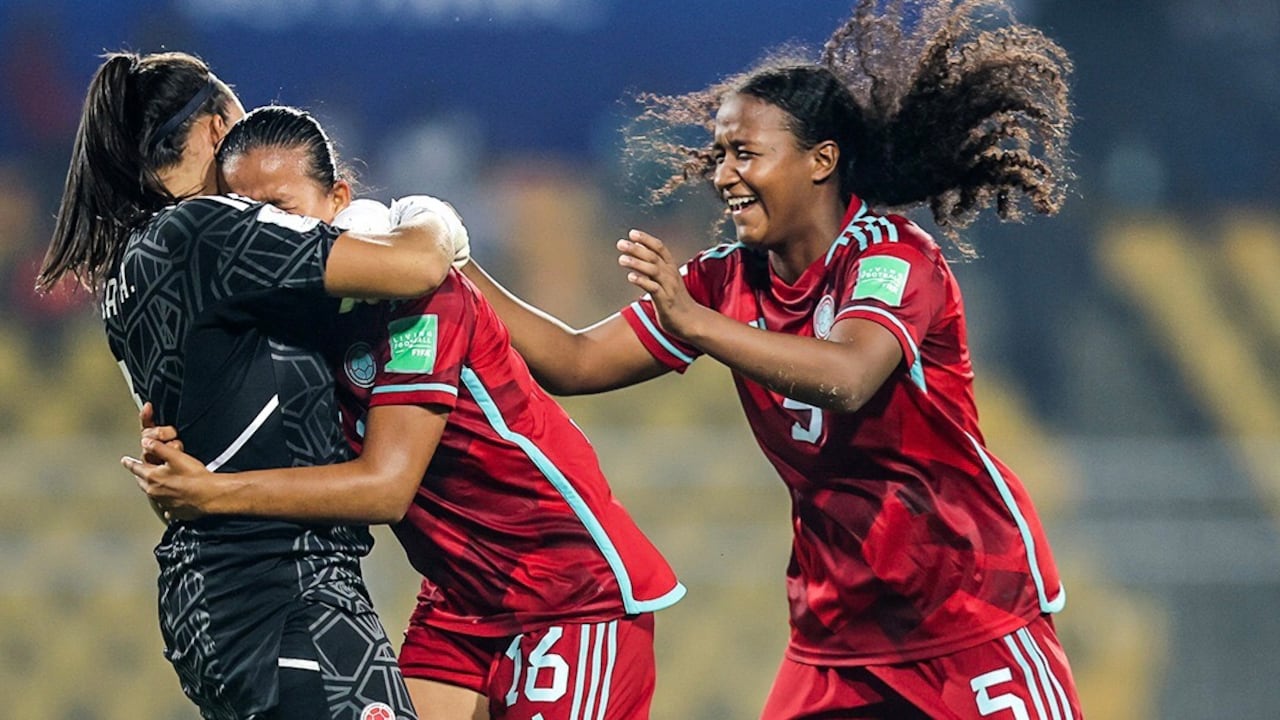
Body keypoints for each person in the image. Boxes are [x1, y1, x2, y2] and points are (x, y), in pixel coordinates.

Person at [448, 1, 1082, 718]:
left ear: (821, 161)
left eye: (745, 153)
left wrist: (695, 322)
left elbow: (848, 376)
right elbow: (575, 360)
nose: (724, 175)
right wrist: (455, 263)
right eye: (720, 154)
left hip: (970, 614)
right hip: (837, 631)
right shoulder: (725, 279)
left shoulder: (893, 256)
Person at [124, 105, 685, 720]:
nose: (265, 233)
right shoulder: (296, 326)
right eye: (247, 216)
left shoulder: (420, 299)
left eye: (282, 209)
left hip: (567, 590)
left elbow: (386, 488)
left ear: (339, 199)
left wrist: (214, 494)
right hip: (460, 601)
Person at [39, 51, 465, 720]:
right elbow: (416, 264)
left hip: (218, 599)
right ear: (217, 127)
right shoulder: (205, 230)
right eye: (238, 126)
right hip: (283, 588)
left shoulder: (129, 267)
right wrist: (427, 212)